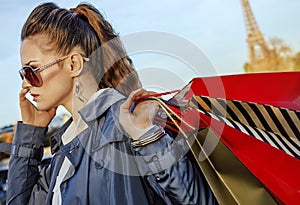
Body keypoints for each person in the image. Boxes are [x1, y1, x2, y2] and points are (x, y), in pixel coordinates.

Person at [6, 2, 216, 205]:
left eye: (31, 71)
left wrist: (148, 137)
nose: (25, 84)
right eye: (23, 73)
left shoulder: (130, 121)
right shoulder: (65, 148)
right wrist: (30, 135)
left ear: (73, 64)